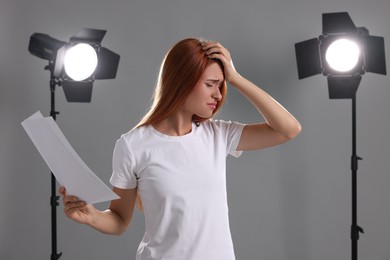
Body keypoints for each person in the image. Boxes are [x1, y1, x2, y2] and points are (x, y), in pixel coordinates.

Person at [60, 38, 302, 260]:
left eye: (221, 85)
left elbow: (287, 129)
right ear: (183, 81)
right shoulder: (133, 146)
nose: (218, 95)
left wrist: (236, 78)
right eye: (211, 84)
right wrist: (92, 216)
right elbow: (120, 220)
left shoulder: (218, 135)